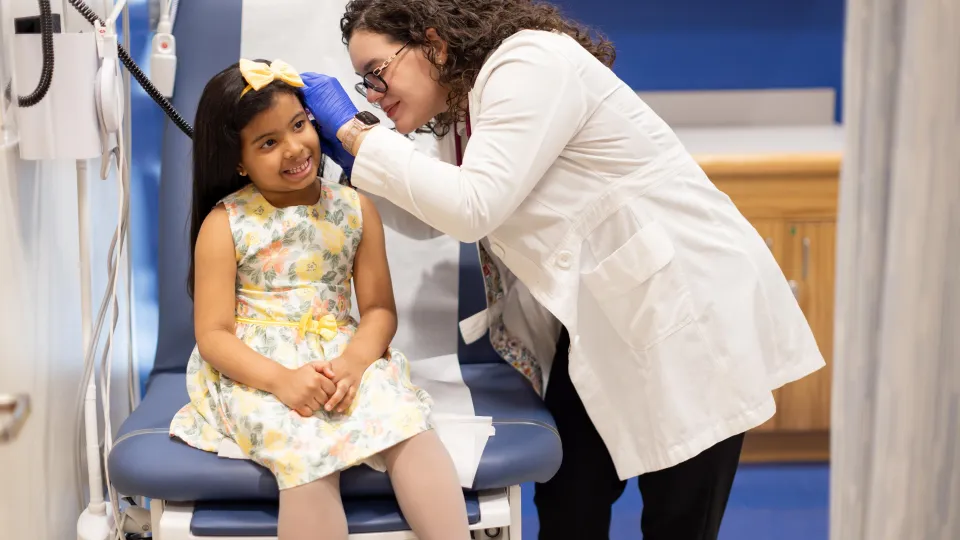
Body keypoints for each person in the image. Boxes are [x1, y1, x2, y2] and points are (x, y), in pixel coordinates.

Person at [300, 1, 828, 539]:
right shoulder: (464, 110)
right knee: (569, 502)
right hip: (604, 321)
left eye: (376, 73)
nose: (371, 95)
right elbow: (435, 217)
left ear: (433, 44)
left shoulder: (529, 63)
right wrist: (353, 162)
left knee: (679, 518)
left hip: (686, 311)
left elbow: (471, 206)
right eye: (362, 85)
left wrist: (356, 134)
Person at [167, 58, 471, 540]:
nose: (294, 148)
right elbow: (214, 336)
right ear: (239, 160)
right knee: (303, 450)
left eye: (299, 125)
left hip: (343, 359)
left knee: (407, 422)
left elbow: (377, 311)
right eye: (268, 142)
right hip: (258, 370)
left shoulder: (355, 207)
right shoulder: (225, 225)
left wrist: (353, 363)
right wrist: (282, 381)